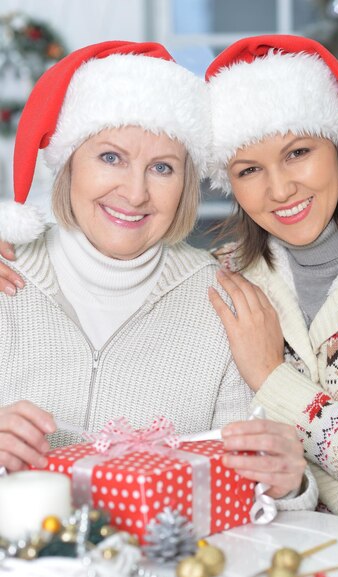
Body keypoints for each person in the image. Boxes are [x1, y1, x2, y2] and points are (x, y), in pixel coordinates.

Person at [0, 41, 317, 512]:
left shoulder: (225, 302)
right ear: (68, 164)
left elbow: (255, 492)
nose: (134, 192)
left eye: (162, 168)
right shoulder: (9, 272)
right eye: (110, 157)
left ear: (186, 183)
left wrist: (289, 487)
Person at [204, 34, 338, 535]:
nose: (279, 190)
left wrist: (273, 379)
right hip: (295, 576)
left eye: (298, 152)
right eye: (249, 169)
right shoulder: (230, 278)